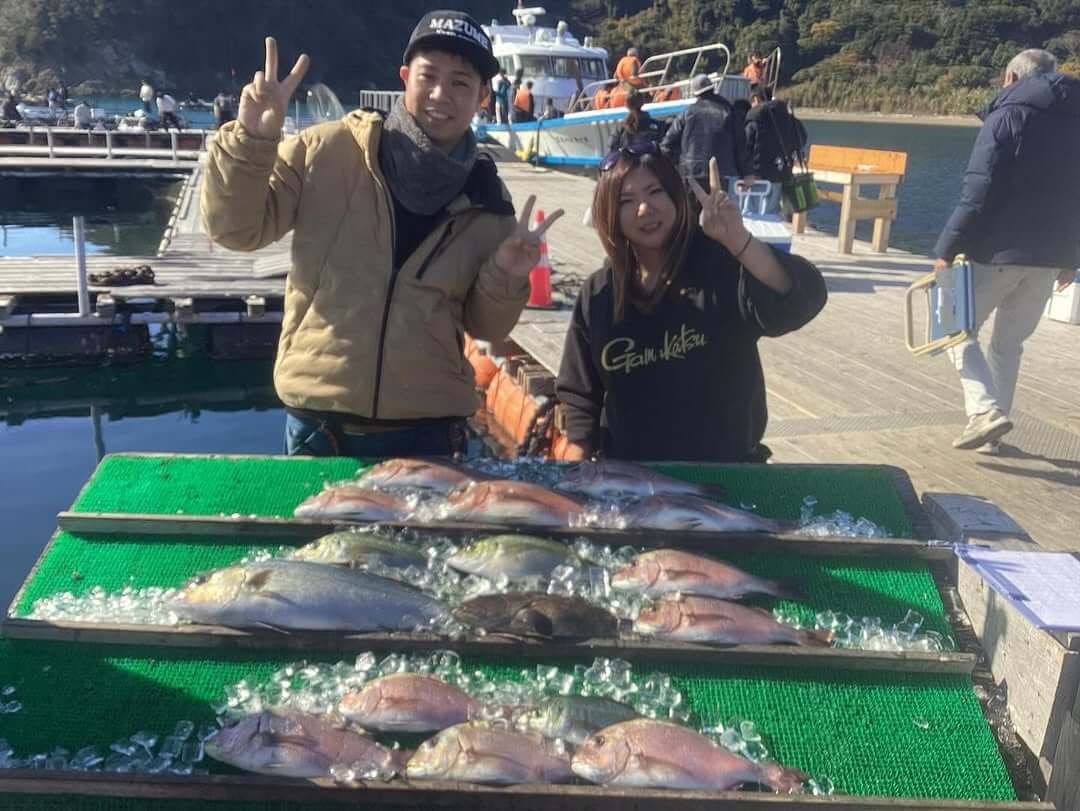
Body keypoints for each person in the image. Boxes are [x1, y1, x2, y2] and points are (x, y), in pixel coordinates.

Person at [201, 12, 564, 458]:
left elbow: (485, 326)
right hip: (321, 421)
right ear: (405, 77)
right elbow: (235, 229)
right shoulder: (325, 150)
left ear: (482, 97)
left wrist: (506, 275)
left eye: (460, 83)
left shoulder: (488, 201)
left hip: (429, 429)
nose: (440, 94)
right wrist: (251, 141)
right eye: (428, 76)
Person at [556, 145, 826, 462]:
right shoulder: (599, 293)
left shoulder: (721, 267)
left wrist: (739, 241)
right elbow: (580, 393)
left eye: (654, 191)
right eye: (625, 201)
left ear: (675, 194)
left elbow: (803, 298)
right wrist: (576, 459)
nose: (644, 209)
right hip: (631, 474)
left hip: (726, 470)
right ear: (609, 215)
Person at [933, 48, 1080, 454]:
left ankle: (984, 412)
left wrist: (947, 247)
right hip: (1049, 257)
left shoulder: (1008, 114)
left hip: (998, 251)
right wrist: (1071, 257)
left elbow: (978, 190)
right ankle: (992, 435)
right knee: (1008, 345)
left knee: (953, 327)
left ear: (1011, 78)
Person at [660, 74, 754, 208]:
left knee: (692, 215)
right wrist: (747, 172)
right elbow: (741, 145)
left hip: (691, 173)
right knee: (718, 214)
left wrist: (671, 166)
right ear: (712, 89)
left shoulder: (688, 112)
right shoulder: (729, 111)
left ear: (696, 93)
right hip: (721, 172)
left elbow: (667, 144)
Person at [744, 89, 808, 214]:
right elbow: (802, 139)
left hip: (758, 173)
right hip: (781, 172)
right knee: (772, 213)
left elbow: (746, 145)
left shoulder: (755, 117)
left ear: (756, 99)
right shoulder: (788, 117)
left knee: (752, 213)